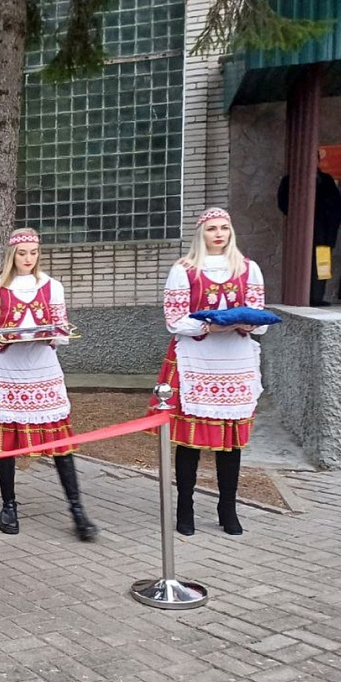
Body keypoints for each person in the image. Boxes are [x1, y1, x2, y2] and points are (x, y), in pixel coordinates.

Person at [148, 208, 266, 537]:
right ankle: (184, 508)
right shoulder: (184, 270)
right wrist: (211, 327)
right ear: (201, 233)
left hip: (235, 360)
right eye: (212, 228)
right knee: (190, 440)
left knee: (231, 441)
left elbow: (260, 321)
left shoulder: (248, 268)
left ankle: (228, 508)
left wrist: (247, 323)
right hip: (197, 359)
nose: (219, 234)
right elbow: (174, 320)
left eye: (224, 228)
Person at [0, 228, 98, 541]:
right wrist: (2, 339)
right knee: (6, 443)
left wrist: (51, 335)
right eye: (22, 253)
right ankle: (8, 504)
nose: (28, 258)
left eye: (33, 252)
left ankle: (77, 508)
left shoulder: (51, 286)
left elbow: (61, 330)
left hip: (43, 370)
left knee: (59, 441)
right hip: (9, 371)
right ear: (12, 255)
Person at [276, 147, 341, 306]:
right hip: (301, 231)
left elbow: (337, 206)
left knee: (322, 265)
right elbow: (283, 203)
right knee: (301, 264)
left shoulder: (326, 179)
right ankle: (299, 296)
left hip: (324, 232)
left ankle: (317, 297)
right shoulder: (290, 179)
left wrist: (331, 221)